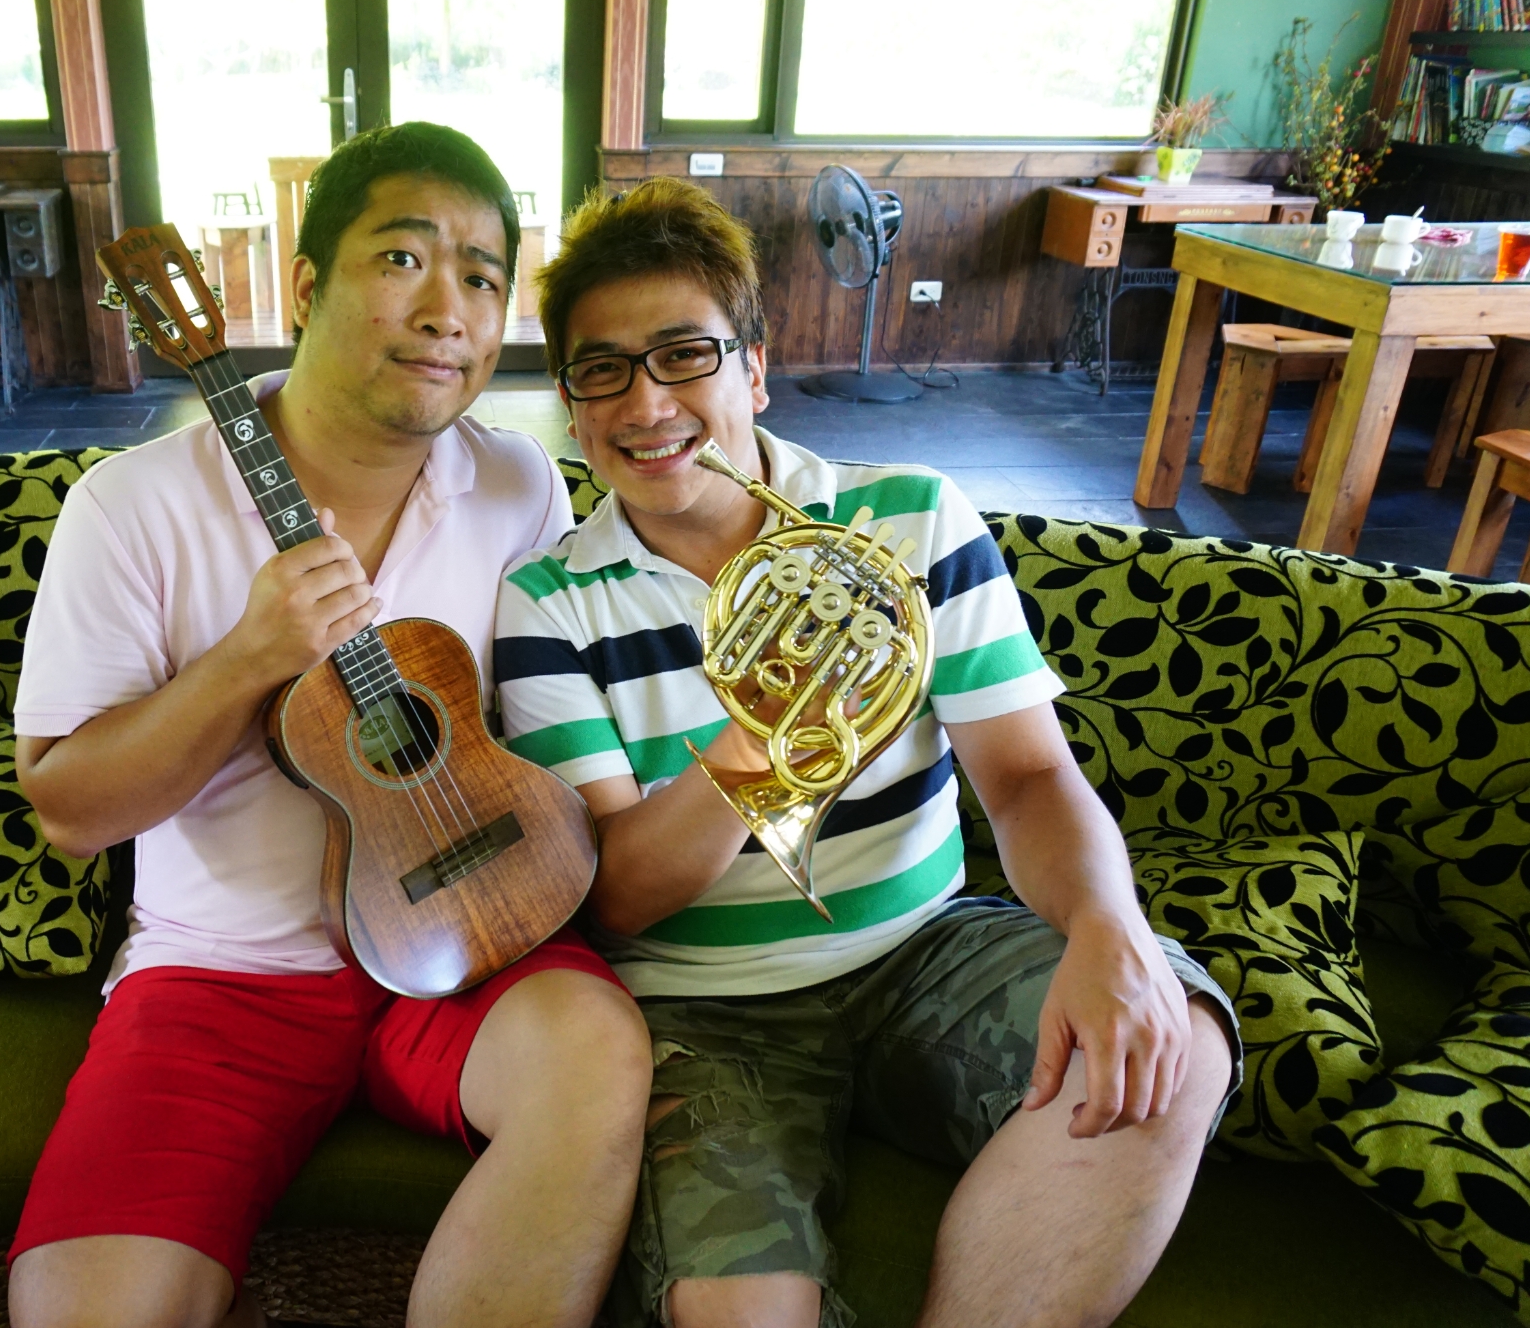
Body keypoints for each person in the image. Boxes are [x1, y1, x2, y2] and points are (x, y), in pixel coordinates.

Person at [494, 177, 1242, 1328]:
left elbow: (1028, 778)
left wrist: (1106, 925)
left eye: (684, 355)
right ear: (569, 401)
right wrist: (761, 729)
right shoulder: (545, 600)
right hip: (700, 1014)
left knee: (1169, 1047)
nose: (645, 403)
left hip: (921, 952)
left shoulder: (907, 517)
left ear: (752, 368)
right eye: (602, 370)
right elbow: (618, 898)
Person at [6, 123, 651, 1328]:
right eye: (402, 258)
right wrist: (248, 660)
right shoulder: (131, 506)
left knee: (598, 1055)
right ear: (304, 287)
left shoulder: (519, 486)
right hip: (221, 974)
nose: (446, 309)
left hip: (467, 935)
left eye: (481, 277)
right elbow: (69, 815)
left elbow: (550, 720)